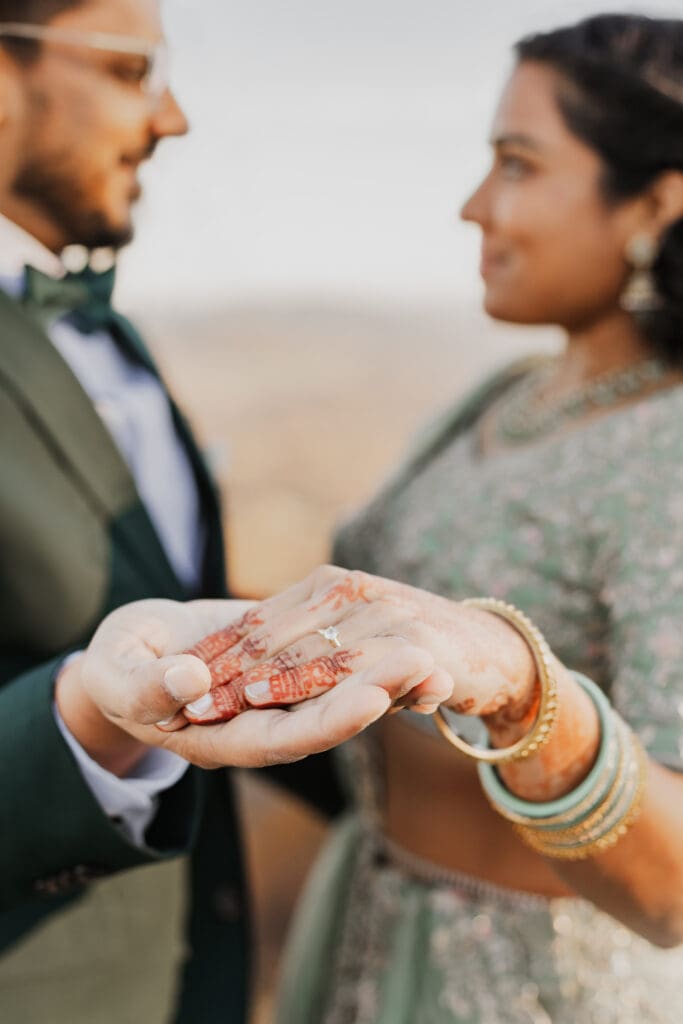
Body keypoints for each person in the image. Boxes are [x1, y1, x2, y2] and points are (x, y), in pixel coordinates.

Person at [85, 12, 683, 1022]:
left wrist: (516, 683)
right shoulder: (502, 398)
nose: (470, 206)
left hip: (524, 990)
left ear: (652, 205)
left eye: (516, 165)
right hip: (353, 929)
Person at [0, 2, 440, 1021]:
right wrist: (84, 719)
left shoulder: (109, 339)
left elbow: (167, 612)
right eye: (135, 71)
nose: (176, 117)